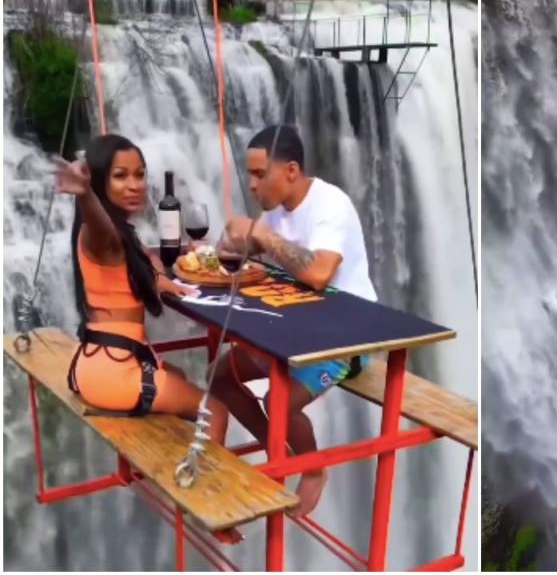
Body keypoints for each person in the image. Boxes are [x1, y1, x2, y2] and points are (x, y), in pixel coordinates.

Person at [211, 124, 377, 517]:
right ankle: (284, 452)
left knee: (277, 401)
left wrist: (264, 239)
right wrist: (231, 241)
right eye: (249, 174)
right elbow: (238, 251)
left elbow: (319, 273)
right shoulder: (278, 212)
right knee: (218, 377)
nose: (251, 185)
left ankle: (313, 468)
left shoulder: (329, 206)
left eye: (258, 174)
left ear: (290, 171)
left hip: (350, 334)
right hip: (295, 329)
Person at [54, 134, 228, 442]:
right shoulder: (101, 236)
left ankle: (171, 468)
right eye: (120, 176)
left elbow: (144, 257)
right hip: (116, 374)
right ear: (97, 182)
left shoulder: (122, 235)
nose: (134, 185)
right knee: (215, 410)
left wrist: (160, 278)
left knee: (177, 376)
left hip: (96, 363)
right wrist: (84, 195)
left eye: (140, 174)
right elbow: (103, 231)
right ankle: (208, 486)